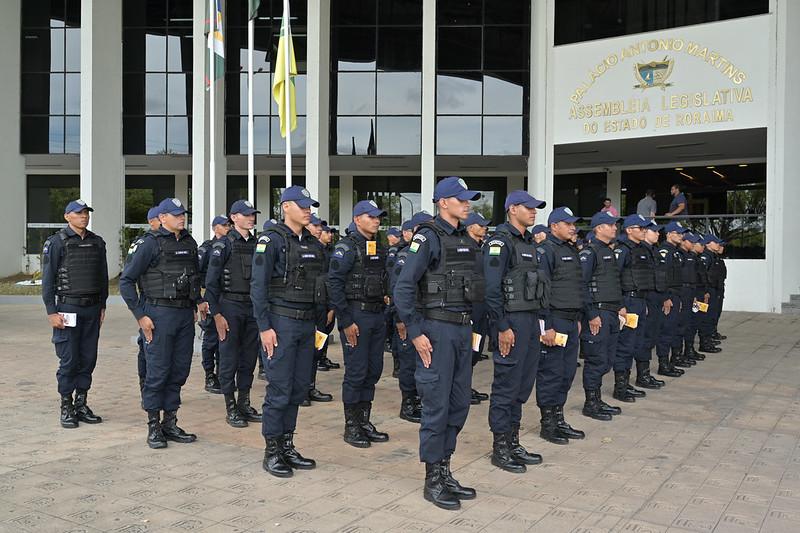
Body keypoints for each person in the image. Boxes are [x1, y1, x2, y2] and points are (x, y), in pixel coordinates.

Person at [394, 176, 482, 510]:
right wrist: (415, 332)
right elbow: (404, 288)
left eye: (468, 199)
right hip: (436, 331)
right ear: (443, 202)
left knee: (459, 404)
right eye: (461, 199)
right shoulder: (427, 237)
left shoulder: (464, 238)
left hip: (461, 331)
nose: (467, 204)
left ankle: (445, 469)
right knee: (437, 406)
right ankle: (432, 479)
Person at [251, 186, 322, 477]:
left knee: (297, 388)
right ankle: (272, 451)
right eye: (303, 206)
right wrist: (265, 327)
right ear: (286, 207)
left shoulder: (313, 243)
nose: (308, 211)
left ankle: (287, 444)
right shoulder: (271, 240)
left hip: (306, 324)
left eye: (310, 206)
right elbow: (258, 288)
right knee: (280, 389)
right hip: (281, 324)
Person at [119, 197, 201, 449]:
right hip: (158, 314)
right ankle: (153, 425)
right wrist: (140, 315)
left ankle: (170, 422)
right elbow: (126, 281)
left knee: (179, 370)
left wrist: (197, 302)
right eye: (175, 214)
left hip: (184, 315)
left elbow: (193, 277)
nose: (181, 217)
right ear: (162, 218)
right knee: (158, 371)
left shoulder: (189, 242)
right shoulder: (149, 244)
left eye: (183, 214)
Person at [484, 191, 547, 474]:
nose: (534, 212)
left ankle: (513, 441)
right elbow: (492, 288)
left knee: (522, 386)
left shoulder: (528, 242)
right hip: (511, 321)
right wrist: (502, 326)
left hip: (531, 320)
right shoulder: (500, 241)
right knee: (506, 386)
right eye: (529, 208)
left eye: (536, 208)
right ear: (512, 209)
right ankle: (500, 447)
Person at [42, 199, 109, 428]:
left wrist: (102, 306)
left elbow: (102, 277)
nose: (84, 217)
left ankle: (81, 402)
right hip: (68, 309)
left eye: (86, 213)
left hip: (92, 309)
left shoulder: (97, 242)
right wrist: (52, 311)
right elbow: (48, 281)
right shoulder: (57, 243)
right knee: (69, 359)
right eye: (79, 213)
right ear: (67, 216)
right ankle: (66, 405)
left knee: (88, 358)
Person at [328, 200, 390, 449]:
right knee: (356, 372)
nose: (376, 221)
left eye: (378, 217)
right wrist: (345, 321)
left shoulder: (376, 245)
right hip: (356, 316)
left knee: (373, 370)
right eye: (371, 217)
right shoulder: (346, 247)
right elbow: (334, 283)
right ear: (357, 219)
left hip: (376, 315)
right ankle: (351, 425)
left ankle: (364, 421)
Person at [204, 200, 262, 428]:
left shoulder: (258, 243)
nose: (251, 218)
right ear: (234, 218)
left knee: (248, 359)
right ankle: (231, 406)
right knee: (228, 359)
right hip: (229, 307)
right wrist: (217, 315)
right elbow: (211, 283)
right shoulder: (224, 244)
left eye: (253, 215)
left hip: (252, 308)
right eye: (246, 215)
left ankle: (244, 402)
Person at [535, 207, 585, 445]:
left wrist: (578, 320)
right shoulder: (546, 251)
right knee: (551, 374)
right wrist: (547, 326)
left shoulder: (570, 249)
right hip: (555, 321)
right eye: (568, 223)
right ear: (554, 226)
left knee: (566, 373)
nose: (573, 227)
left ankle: (559, 418)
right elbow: (542, 291)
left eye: (573, 224)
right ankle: (547, 424)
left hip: (570, 320)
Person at [578, 211, 625, 422]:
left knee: (607, 359)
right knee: (596, 359)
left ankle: (597, 399)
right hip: (598, 314)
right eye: (611, 225)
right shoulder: (590, 253)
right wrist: (591, 314)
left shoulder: (608, 251)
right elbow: (582, 285)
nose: (615, 228)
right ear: (599, 228)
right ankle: (591, 402)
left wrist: (620, 307)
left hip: (612, 312)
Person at [388, 212, 432, 424]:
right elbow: (399, 291)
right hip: (408, 317)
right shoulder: (406, 255)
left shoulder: (428, 253)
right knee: (408, 363)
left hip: (424, 316)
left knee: (420, 362)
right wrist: (400, 320)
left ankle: (418, 400)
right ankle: (408, 404)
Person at [611, 214, 652, 403]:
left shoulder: (641, 249)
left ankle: (627, 383)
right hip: (628, 302)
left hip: (640, 301)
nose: (644, 231)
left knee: (636, 343)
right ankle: (620, 387)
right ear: (629, 230)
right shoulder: (622, 250)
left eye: (645, 228)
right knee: (625, 345)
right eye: (641, 228)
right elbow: (615, 278)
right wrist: (620, 305)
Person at [196, 214, 230, 394]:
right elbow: (197, 274)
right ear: (215, 228)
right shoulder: (207, 248)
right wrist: (200, 300)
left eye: (229, 225)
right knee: (211, 339)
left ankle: (222, 374)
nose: (228, 228)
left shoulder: (230, 245)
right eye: (224, 225)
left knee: (224, 339)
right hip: (210, 298)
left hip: (227, 299)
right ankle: (210, 375)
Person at [633, 220, 667, 391]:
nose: (658, 234)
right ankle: (642, 375)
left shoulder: (653, 251)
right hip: (646, 299)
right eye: (655, 231)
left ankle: (645, 373)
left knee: (652, 334)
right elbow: (640, 279)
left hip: (656, 298)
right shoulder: (638, 250)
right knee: (644, 338)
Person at [654, 222, 687, 378]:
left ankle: (671, 361)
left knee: (673, 329)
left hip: (676, 295)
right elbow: (662, 276)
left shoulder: (675, 252)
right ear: (669, 234)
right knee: (666, 331)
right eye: (678, 233)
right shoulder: (664, 251)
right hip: (668, 296)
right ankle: (663, 364)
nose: (681, 236)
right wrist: (666, 297)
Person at [307, 218, 335, 405]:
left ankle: (309, 387)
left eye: (320, 227)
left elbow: (330, 281)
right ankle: (300, 390)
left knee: (317, 348)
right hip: (302, 308)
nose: (319, 230)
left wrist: (331, 307)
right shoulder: (300, 248)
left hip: (321, 307)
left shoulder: (322, 251)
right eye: (316, 226)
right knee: (303, 351)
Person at [136, 206, 164, 395]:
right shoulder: (144, 243)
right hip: (149, 301)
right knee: (147, 346)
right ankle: (145, 384)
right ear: (152, 221)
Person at [465, 212, 491, 405]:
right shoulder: (463, 248)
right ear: (469, 227)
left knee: (475, 349)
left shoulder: (481, 248)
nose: (484, 228)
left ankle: (466, 386)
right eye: (480, 225)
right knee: (466, 351)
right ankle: (461, 389)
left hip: (482, 308)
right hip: (470, 308)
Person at [695, 236, 722, 354]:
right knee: (703, 317)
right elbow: (703, 276)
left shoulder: (712, 256)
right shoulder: (705, 257)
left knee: (710, 315)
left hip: (711, 290)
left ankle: (707, 339)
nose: (719, 246)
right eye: (716, 243)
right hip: (705, 291)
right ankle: (704, 342)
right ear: (709, 244)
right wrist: (705, 291)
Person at [385, 226, 405, 377]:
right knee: (398, 333)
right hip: (395, 298)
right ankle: (398, 365)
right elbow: (390, 273)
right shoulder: (396, 251)